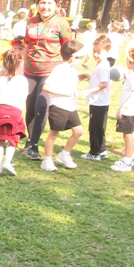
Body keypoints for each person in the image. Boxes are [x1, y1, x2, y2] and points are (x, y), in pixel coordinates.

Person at [22, 0, 73, 160]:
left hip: (50, 72)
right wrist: (20, 66)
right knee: (30, 106)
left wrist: (68, 70)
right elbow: (27, 44)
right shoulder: (30, 22)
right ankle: (30, 141)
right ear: (37, 4)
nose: (45, 6)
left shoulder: (61, 23)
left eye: (49, 3)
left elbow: (69, 48)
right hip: (30, 71)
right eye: (42, 2)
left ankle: (35, 146)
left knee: (41, 106)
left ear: (56, 5)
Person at [40, 40, 86, 171]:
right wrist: (64, 93)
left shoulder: (73, 69)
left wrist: (79, 81)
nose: (81, 60)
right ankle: (47, 160)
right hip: (58, 106)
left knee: (78, 131)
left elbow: (69, 84)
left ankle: (64, 154)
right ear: (72, 58)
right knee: (53, 134)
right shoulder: (59, 69)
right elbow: (45, 87)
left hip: (70, 106)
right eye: (79, 58)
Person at [0, 46, 28, 176]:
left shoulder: (0, 80)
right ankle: (7, 162)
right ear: (20, 64)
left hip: (1, 110)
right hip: (15, 112)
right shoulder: (23, 80)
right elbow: (25, 97)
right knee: (12, 138)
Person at [80, 35, 112, 161]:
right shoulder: (101, 64)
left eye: (99, 52)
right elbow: (98, 80)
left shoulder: (103, 66)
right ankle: (101, 150)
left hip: (99, 102)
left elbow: (104, 84)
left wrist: (88, 91)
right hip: (99, 102)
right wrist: (87, 76)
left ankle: (94, 152)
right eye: (94, 51)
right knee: (99, 127)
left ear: (107, 51)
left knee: (95, 128)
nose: (96, 55)